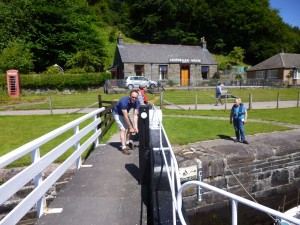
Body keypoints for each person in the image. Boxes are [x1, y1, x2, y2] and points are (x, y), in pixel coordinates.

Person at [112, 90, 139, 155]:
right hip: (117, 114)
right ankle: (123, 148)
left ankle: (127, 143)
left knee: (130, 129)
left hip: (125, 113)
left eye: (136, 98)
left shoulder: (136, 102)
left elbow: (135, 115)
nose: (134, 99)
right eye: (133, 97)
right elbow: (125, 116)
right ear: (129, 96)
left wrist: (135, 127)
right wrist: (130, 127)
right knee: (123, 129)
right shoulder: (124, 101)